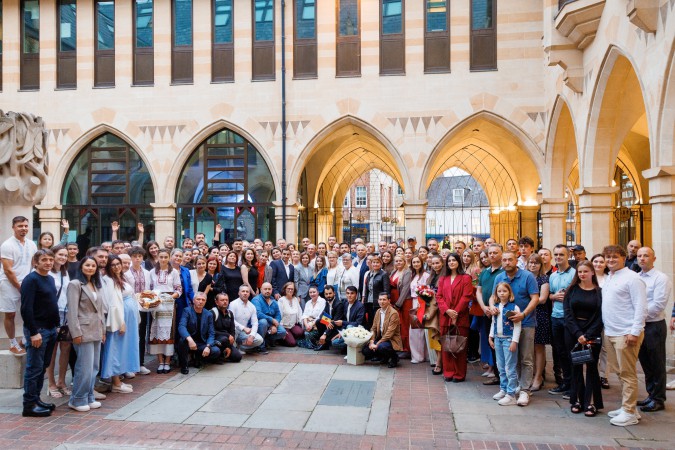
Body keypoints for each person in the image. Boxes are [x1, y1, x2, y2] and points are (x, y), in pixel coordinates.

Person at [601, 245, 647, 427]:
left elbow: (641, 306)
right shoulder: (610, 277)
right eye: (608, 257)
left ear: (623, 258)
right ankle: (629, 407)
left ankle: (629, 412)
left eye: (615, 257)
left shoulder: (633, 278)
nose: (610, 260)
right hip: (611, 331)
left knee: (628, 373)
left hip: (626, 333)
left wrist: (635, 331)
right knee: (619, 372)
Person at [489, 251, 540, 407]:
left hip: (526, 322)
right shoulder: (499, 277)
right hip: (505, 327)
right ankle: (509, 388)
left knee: (526, 358)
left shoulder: (527, 276)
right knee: (510, 360)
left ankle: (525, 390)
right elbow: (493, 297)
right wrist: (491, 307)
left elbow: (535, 298)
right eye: (504, 260)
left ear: (516, 261)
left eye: (510, 259)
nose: (507, 262)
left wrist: (523, 314)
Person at [20, 250, 59, 417]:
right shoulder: (30, 280)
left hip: (51, 329)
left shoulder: (50, 279)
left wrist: (57, 326)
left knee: (42, 367)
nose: (48, 262)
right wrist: (33, 332)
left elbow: (51, 303)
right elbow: (26, 308)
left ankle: (36, 399)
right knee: (34, 368)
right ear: (36, 262)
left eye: (50, 259)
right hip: (38, 330)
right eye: (44, 260)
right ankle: (29, 405)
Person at [563, 261, 604, 417]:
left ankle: (591, 402)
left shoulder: (599, 292)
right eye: (579, 272)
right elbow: (567, 313)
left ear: (592, 272)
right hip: (573, 333)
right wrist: (578, 333)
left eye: (585, 271)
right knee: (576, 366)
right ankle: (577, 400)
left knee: (592, 367)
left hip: (592, 333)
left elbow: (601, 315)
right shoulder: (571, 290)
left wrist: (587, 335)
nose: (582, 274)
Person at [67, 256, 106, 412]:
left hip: (96, 330)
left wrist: (103, 330)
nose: (90, 268)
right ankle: (77, 399)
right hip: (83, 331)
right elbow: (72, 311)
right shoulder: (75, 284)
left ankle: (89, 397)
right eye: (87, 265)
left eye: (93, 266)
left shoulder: (95, 284)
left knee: (94, 367)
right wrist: (75, 332)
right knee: (84, 367)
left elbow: (100, 311)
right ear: (81, 267)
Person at [636, 247, 671, 412]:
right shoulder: (636, 277)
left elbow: (658, 304)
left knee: (657, 363)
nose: (642, 258)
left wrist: (638, 316)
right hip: (640, 325)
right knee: (646, 363)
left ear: (654, 258)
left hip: (654, 325)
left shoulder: (661, 278)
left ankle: (658, 399)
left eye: (646, 255)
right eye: (639, 256)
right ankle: (651, 394)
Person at [101, 255, 140, 393]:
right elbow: (112, 302)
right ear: (108, 267)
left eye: (118, 263)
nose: (117, 266)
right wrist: (121, 322)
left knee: (124, 348)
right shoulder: (108, 280)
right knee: (115, 348)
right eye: (113, 265)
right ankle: (116, 383)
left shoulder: (120, 277)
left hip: (129, 317)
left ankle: (119, 379)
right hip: (119, 318)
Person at [1, 216, 38, 355]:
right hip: (9, 284)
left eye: (26, 226)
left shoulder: (32, 244)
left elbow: (34, 264)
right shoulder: (7, 245)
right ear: (13, 227)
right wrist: (19, 286)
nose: (23, 228)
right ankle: (12, 343)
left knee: (30, 312)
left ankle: (24, 340)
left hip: (27, 283)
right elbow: (8, 270)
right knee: (10, 313)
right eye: (20, 226)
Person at [437, 253, 474, 383]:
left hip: (460, 316)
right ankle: (448, 372)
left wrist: (455, 313)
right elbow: (439, 296)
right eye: (449, 261)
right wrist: (447, 311)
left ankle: (459, 374)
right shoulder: (443, 279)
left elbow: (466, 296)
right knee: (446, 345)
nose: (451, 262)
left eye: (454, 260)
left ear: (459, 262)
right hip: (445, 316)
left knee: (459, 346)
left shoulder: (466, 278)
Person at [548, 245, 576, 397]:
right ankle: (566, 382)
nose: (558, 257)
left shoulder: (574, 274)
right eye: (556, 254)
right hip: (556, 317)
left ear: (568, 256)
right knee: (560, 352)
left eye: (561, 254)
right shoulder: (553, 275)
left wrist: (567, 297)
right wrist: (553, 297)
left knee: (570, 352)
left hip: (569, 318)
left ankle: (574, 386)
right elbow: (550, 295)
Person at [45, 245, 72, 399]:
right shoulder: (47, 272)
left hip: (66, 314)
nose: (63, 257)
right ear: (53, 255)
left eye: (65, 255)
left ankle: (61, 382)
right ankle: (51, 383)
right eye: (60, 254)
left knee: (66, 348)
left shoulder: (65, 272)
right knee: (52, 349)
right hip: (51, 315)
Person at [149, 249, 182, 374]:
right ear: (158, 257)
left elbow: (179, 289)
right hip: (156, 304)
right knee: (156, 331)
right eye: (161, 257)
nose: (163, 259)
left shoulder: (174, 272)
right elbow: (149, 289)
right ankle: (160, 362)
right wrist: (155, 299)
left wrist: (169, 297)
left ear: (169, 258)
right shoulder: (152, 272)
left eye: (165, 257)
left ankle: (167, 362)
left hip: (169, 304)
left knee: (169, 333)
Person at [489, 282, 521, 406]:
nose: (502, 293)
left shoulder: (514, 307)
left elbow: (517, 326)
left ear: (509, 293)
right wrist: (491, 336)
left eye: (504, 291)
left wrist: (514, 341)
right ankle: (503, 389)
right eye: (499, 291)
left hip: (508, 340)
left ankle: (511, 394)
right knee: (500, 366)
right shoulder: (496, 307)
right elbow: (493, 322)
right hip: (498, 339)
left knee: (510, 367)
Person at [477, 244, 504, 387]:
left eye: (495, 253)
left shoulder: (504, 271)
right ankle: (497, 375)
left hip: (500, 313)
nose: (492, 255)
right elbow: (479, 291)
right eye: (490, 253)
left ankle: (504, 376)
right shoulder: (485, 272)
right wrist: (483, 307)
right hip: (486, 312)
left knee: (501, 344)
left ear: (501, 254)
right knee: (491, 342)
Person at [177, 292, 221, 374]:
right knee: (182, 341)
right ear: (193, 300)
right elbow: (181, 327)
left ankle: (198, 358)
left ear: (205, 302)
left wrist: (208, 346)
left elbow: (211, 333)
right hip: (188, 342)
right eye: (198, 299)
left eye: (203, 300)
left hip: (201, 342)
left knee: (216, 351)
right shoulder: (187, 311)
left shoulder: (208, 314)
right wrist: (190, 340)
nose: (200, 301)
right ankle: (184, 365)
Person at [124, 246, 153, 375]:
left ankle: (140, 364)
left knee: (141, 335)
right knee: (130, 335)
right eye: (135, 256)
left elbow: (149, 288)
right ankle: (128, 366)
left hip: (143, 307)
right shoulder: (125, 273)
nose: (137, 259)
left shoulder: (147, 272)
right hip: (130, 306)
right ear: (131, 258)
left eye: (140, 256)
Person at [527, 254, 550, 392]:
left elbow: (542, 299)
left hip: (539, 315)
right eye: (530, 262)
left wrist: (527, 302)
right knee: (528, 348)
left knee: (538, 347)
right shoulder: (525, 277)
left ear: (541, 265)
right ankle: (531, 374)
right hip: (526, 315)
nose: (533, 265)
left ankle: (538, 376)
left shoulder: (544, 279)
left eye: (536, 263)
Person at [362, 293, 403, 368]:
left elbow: (389, 334)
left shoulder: (393, 313)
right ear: (378, 301)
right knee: (365, 350)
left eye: (384, 299)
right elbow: (373, 328)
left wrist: (376, 344)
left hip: (391, 340)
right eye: (380, 299)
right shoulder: (378, 311)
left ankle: (394, 357)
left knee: (381, 347)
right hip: (380, 338)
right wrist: (371, 342)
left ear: (389, 301)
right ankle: (384, 357)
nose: (382, 301)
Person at [591, 252, 611, 389]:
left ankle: (603, 375)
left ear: (605, 264)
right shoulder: (588, 277)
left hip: (607, 317)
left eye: (601, 262)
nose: (598, 264)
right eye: (595, 261)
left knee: (605, 347)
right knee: (592, 346)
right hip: (591, 318)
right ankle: (592, 374)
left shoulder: (609, 278)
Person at [229, 285, 265, 353]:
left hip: (244, 332)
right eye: (243, 291)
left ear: (249, 294)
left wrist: (252, 336)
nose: (245, 293)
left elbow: (255, 323)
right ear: (239, 293)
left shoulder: (252, 306)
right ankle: (234, 348)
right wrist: (243, 328)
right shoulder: (233, 304)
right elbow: (231, 320)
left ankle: (241, 347)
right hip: (234, 330)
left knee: (259, 340)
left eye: (247, 291)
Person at [251, 282, 287, 349]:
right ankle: (260, 346)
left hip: (270, 325)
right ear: (261, 290)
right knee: (263, 322)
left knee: (282, 332)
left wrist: (274, 325)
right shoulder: (256, 300)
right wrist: (272, 320)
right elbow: (258, 314)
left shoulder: (273, 301)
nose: (267, 291)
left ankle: (266, 340)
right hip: (259, 324)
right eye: (265, 289)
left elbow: (278, 314)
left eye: (269, 289)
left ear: (272, 290)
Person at [390, 255, 412, 359]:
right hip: (394, 300)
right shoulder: (393, 272)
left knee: (405, 326)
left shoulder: (407, 272)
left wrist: (398, 304)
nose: (398, 262)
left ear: (404, 262)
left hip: (404, 301)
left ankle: (407, 349)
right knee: (398, 326)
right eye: (396, 261)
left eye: (400, 261)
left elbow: (405, 290)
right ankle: (399, 347)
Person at [210, 293, 242, 362]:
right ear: (216, 302)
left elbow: (232, 330)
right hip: (216, 339)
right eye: (222, 300)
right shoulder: (212, 313)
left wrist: (229, 345)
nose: (225, 302)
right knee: (224, 339)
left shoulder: (230, 313)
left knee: (238, 357)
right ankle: (220, 355)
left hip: (227, 341)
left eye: (226, 300)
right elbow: (211, 331)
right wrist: (227, 335)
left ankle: (226, 352)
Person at [409, 256, 429, 364]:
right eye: (414, 262)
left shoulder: (426, 275)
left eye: (418, 262)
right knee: (415, 330)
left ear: (421, 263)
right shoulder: (412, 275)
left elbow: (429, 291)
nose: (416, 264)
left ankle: (424, 355)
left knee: (421, 330)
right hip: (414, 302)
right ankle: (417, 355)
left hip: (422, 303)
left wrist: (422, 303)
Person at [362, 256, 391, 330]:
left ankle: (378, 336)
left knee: (378, 322)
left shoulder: (384, 274)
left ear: (381, 264)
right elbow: (367, 289)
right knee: (370, 321)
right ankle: (371, 335)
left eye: (377, 262)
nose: (375, 264)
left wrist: (385, 301)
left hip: (379, 302)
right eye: (373, 262)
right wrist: (364, 300)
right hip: (369, 302)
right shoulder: (369, 274)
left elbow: (386, 290)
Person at [427, 254, 444, 374]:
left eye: (437, 263)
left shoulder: (444, 276)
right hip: (431, 308)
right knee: (432, 335)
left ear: (442, 263)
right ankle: (438, 360)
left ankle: (439, 362)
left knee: (438, 335)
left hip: (440, 309)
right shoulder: (431, 276)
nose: (435, 265)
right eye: (433, 263)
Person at [316, 285, 345, 351]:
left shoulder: (339, 304)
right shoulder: (327, 302)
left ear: (334, 293)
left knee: (331, 323)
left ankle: (325, 341)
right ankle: (324, 344)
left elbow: (335, 322)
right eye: (326, 294)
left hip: (337, 328)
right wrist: (327, 321)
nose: (328, 295)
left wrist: (325, 334)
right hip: (330, 326)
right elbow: (322, 315)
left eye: (330, 293)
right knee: (318, 321)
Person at [279, 282, 305, 347]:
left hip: (293, 325)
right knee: (292, 343)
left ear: (294, 290)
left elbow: (300, 313)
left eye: (292, 289)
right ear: (285, 289)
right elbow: (279, 315)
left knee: (300, 332)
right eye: (288, 288)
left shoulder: (295, 299)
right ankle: (280, 339)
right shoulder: (281, 300)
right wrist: (282, 329)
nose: (290, 290)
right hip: (284, 326)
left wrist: (303, 325)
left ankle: (290, 336)